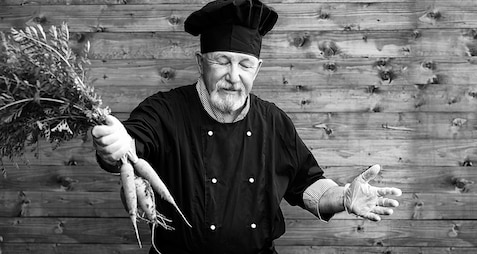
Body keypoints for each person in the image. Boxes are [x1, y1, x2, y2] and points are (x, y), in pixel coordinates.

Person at [91, 0, 402, 253]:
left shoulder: (274, 122)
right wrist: (116, 143)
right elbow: (129, 144)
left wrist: (344, 197)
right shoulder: (165, 110)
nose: (233, 75)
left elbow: (308, 184)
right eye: (222, 61)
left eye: (244, 64)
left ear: (257, 68)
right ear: (201, 63)